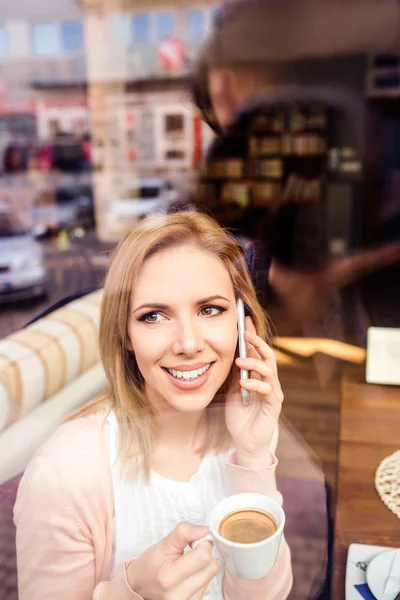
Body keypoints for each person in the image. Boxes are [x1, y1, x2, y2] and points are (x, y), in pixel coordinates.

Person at [14, 210, 292, 599]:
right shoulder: (62, 474)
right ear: (125, 334)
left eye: (210, 309)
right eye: (154, 316)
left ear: (241, 322)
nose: (189, 343)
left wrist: (253, 454)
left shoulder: (246, 429)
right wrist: (131, 592)